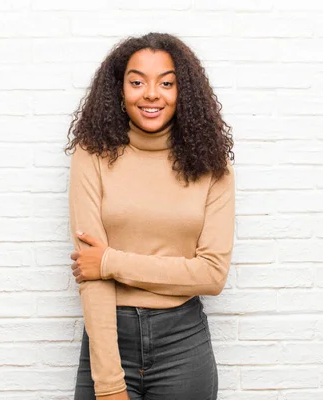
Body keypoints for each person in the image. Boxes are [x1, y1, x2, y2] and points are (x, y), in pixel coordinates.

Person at [64, 32, 235, 400]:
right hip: (108, 339)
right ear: (119, 90)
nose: (152, 94)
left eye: (167, 83)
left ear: (182, 91)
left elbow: (212, 274)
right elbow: (90, 278)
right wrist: (109, 385)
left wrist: (110, 261)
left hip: (183, 345)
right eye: (137, 81)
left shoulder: (211, 164)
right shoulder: (92, 153)